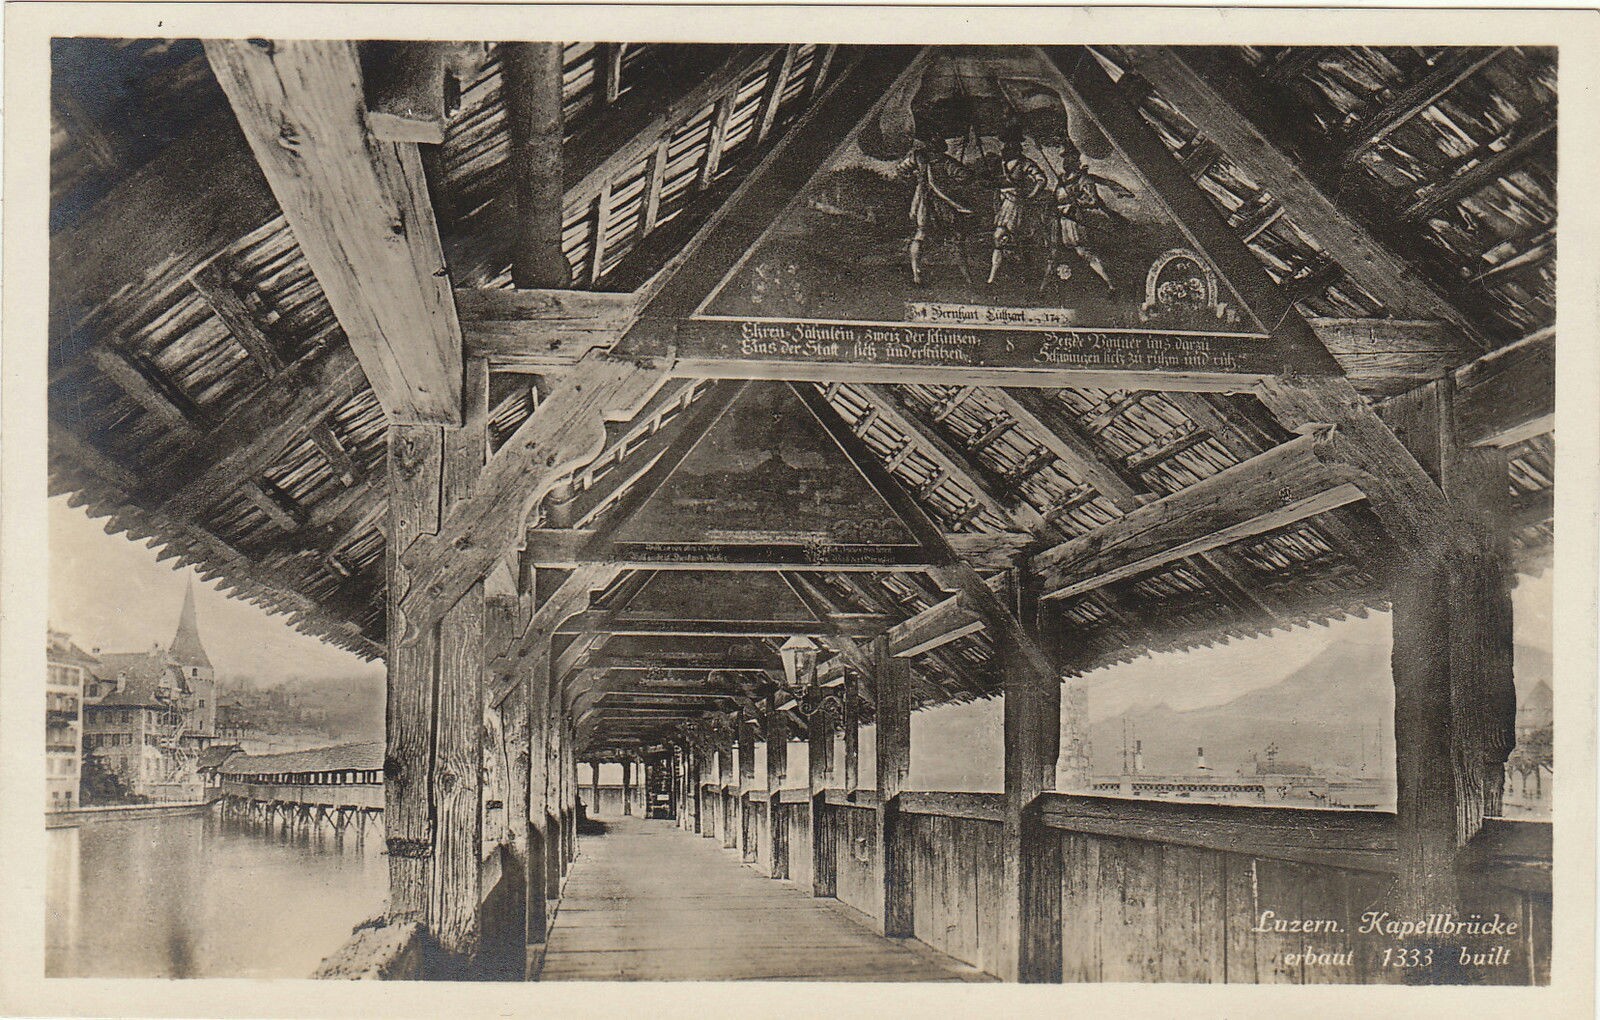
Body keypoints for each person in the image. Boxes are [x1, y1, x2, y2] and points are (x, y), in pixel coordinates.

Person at [892, 124, 976, 286]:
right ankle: (968, 278)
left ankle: (917, 276)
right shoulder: (945, 161)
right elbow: (965, 176)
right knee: (956, 237)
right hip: (942, 203)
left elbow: (901, 170)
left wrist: (917, 179)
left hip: (921, 201)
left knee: (921, 234)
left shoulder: (917, 157)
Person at [1045, 157, 1136, 298]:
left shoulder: (1083, 180)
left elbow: (1094, 201)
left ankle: (1111, 284)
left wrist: (1075, 204)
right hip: (1061, 221)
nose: (1065, 162)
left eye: (1069, 158)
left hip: (1075, 221)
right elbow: (1057, 198)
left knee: (1084, 253)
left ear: (1076, 162)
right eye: (1064, 158)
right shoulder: (1062, 179)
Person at [985, 130, 1049, 286]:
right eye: (1005, 143)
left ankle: (992, 279)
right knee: (1009, 241)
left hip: (1015, 203)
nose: (1006, 146)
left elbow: (1041, 179)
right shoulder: (1000, 163)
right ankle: (1001, 277)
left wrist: (1030, 196)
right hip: (1001, 202)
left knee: (1000, 237)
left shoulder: (1025, 163)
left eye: (1010, 143)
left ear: (1017, 145)